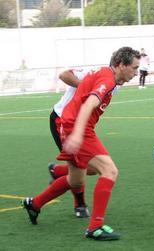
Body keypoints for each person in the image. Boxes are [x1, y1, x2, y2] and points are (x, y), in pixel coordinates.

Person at [22, 46, 140, 241]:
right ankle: (95, 227)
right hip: (76, 128)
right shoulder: (107, 79)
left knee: (76, 180)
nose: (136, 73)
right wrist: (76, 134)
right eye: (134, 68)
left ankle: (34, 204)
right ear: (120, 65)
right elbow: (88, 104)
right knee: (110, 171)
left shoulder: (106, 75)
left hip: (72, 126)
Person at [49, 68, 93, 218]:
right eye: (134, 68)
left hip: (80, 125)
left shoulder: (114, 86)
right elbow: (64, 74)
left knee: (93, 168)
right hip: (62, 121)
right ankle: (79, 204)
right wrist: (85, 87)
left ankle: (58, 171)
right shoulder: (92, 73)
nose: (135, 73)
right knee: (79, 167)